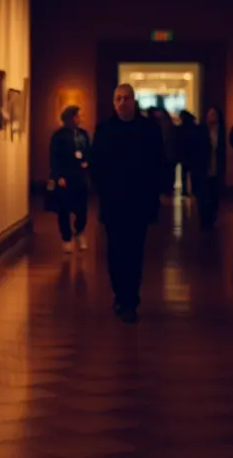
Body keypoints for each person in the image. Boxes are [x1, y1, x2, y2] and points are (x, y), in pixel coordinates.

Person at [90, 84, 165, 323]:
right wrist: (102, 190)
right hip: (113, 202)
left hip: (139, 202)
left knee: (135, 251)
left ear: (134, 101)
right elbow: (96, 164)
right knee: (115, 251)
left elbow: (158, 164)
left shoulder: (149, 130)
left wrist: (154, 197)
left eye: (127, 98)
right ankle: (120, 295)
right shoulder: (104, 130)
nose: (122, 102)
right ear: (114, 103)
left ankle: (130, 299)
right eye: (118, 98)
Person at [47, 105, 92, 253]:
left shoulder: (83, 134)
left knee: (82, 209)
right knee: (64, 209)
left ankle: (79, 232)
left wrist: (88, 162)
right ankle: (66, 238)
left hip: (81, 176)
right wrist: (57, 175)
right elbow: (54, 157)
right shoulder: (58, 136)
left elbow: (89, 152)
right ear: (72, 118)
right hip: (65, 177)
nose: (81, 118)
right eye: (79, 115)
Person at [192, 106, 227, 230]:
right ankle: (204, 220)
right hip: (203, 167)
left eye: (214, 114)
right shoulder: (201, 130)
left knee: (214, 195)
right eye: (210, 114)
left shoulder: (221, 131)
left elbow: (222, 150)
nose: (212, 116)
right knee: (203, 195)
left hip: (215, 167)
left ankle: (212, 219)